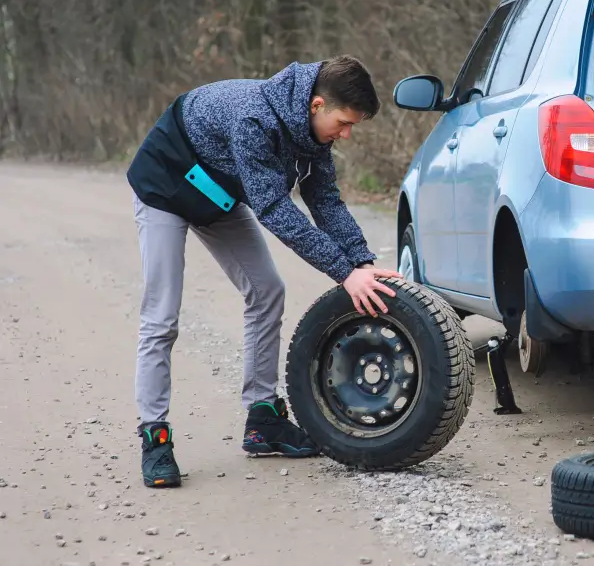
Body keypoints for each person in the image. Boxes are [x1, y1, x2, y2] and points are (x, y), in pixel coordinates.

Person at [125, 56, 402, 489]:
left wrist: (361, 263)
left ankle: (263, 420)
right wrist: (342, 274)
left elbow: (324, 200)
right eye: (344, 123)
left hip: (216, 192)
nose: (346, 134)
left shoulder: (314, 136)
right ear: (317, 104)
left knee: (267, 290)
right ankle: (154, 436)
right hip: (165, 184)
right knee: (162, 316)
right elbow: (273, 208)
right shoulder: (254, 118)